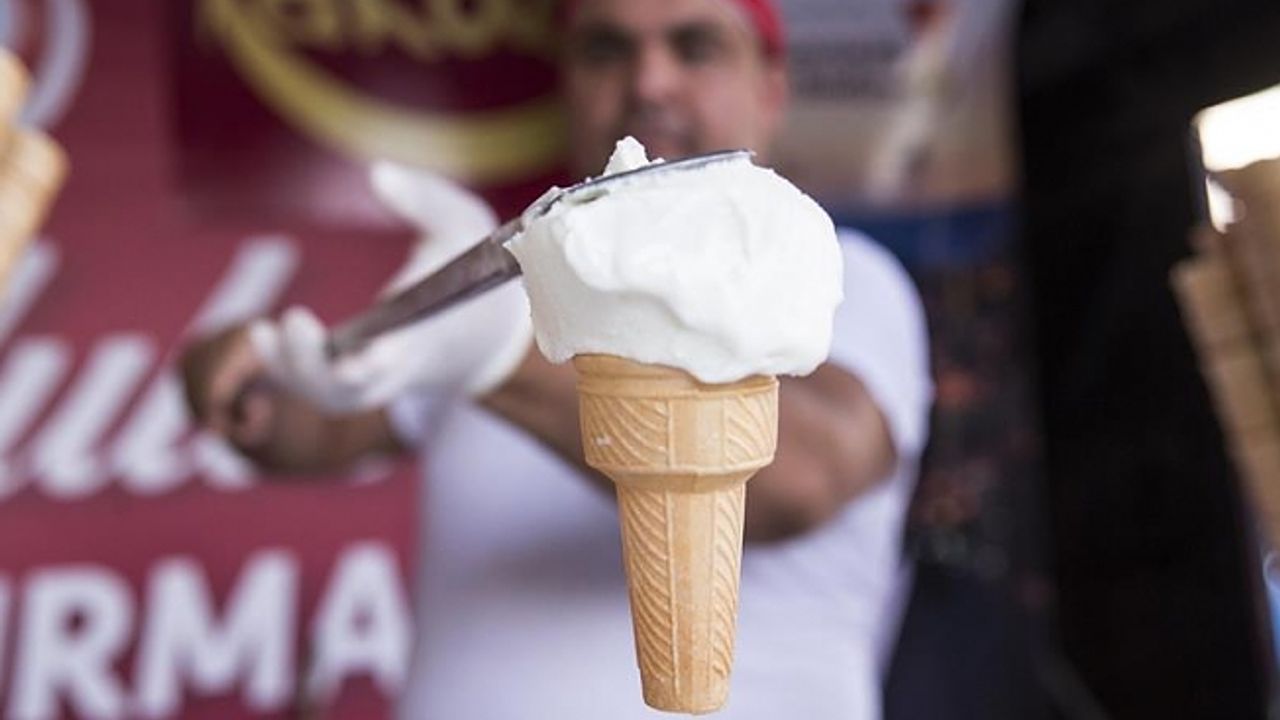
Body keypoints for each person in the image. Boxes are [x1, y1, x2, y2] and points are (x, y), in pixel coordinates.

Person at [183, 1, 933, 717]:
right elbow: (308, 429)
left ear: (771, 87)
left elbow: (803, 481)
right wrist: (251, 370)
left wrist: (501, 350)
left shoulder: (838, 277)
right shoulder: (511, 288)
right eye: (607, 49)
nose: (649, 82)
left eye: (695, 46)